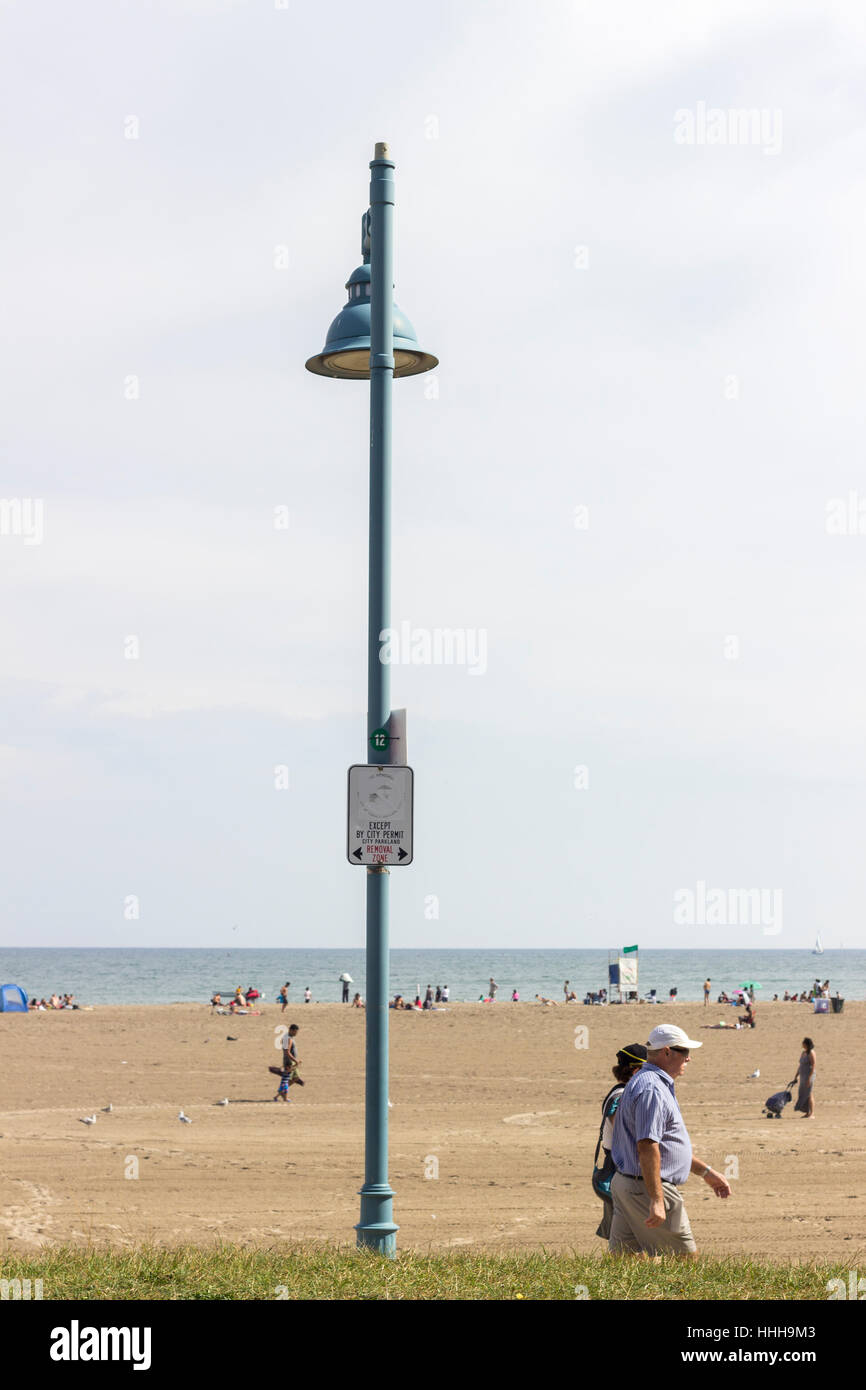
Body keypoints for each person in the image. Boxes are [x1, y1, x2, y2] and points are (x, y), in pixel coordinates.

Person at [609, 1024, 732, 1256]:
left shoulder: (648, 1081)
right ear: (667, 1052)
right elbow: (647, 1146)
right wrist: (657, 1199)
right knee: (685, 1261)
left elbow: (664, 1145)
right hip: (644, 1188)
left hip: (630, 1184)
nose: (689, 1059)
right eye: (685, 1052)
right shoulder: (652, 1089)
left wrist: (706, 1172)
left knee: (625, 1261)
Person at [592, 1044, 648, 1239]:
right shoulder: (622, 1096)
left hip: (621, 1169)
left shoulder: (622, 1093)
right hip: (623, 1171)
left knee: (625, 1237)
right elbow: (628, 1133)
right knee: (635, 1236)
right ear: (635, 1070)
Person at [792, 1038, 816, 1118]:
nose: (802, 1044)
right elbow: (800, 1065)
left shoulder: (811, 1053)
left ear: (806, 1044)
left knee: (809, 1093)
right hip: (803, 1076)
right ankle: (807, 1112)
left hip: (809, 1075)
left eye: (803, 1043)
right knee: (803, 1093)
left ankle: (811, 1113)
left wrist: (809, 1078)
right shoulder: (803, 1053)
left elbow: (813, 1065)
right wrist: (796, 1075)